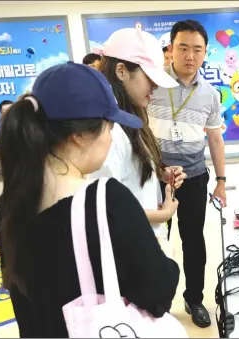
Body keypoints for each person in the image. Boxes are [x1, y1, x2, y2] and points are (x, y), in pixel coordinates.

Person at [0, 62, 180, 337]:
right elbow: (158, 295)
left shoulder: (8, 204)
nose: (110, 136)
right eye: (109, 126)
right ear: (79, 135)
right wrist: (166, 253)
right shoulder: (107, 201)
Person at [147, 19, 227, 328]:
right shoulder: (151, 85)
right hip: (154, 178)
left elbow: (215, 139)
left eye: (197, 49)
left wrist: (221, 181)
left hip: (194, 177)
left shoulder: (210, 94)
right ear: (170, 49)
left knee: (193, 240)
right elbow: (138, 131)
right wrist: (156, 167)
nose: (190, 56)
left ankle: (194, 298)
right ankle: (157, 302)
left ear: (206, 52)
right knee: (154, 240)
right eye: (183, 48)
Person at [89, 28, 186, 240]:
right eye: (149, 77)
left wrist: (158, 173)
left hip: (141, 244)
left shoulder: (131, 117)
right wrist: (162, 214)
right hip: (125, 250)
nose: (154, 86)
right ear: (121, 71)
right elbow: (104, 209)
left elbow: (127, 175)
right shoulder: (107, 132)